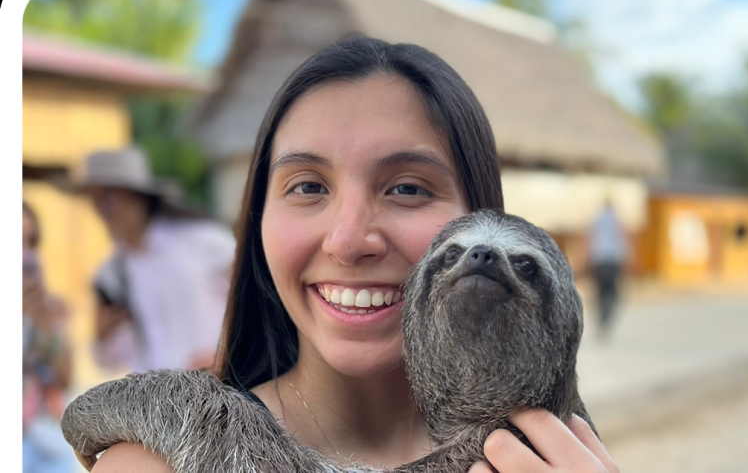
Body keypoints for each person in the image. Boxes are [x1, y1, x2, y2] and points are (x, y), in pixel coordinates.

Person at [84, 37, 620, 473]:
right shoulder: (151, 463)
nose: (347, 240)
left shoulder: (559, 454)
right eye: (308, 186)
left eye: (408, 188)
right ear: (258, 221)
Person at [76, 147, 235, 373]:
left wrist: (229, 354)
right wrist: (103, 336)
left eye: (109, 198)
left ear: (137, 196)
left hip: (217, 388)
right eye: (95, 199)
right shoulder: (110, 274)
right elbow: (107, 361)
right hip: (154, 403)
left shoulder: (203, 241)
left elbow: (256, 301)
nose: (102, 210)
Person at [22, 202, 76, 473]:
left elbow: (65, 378)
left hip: (48, 444)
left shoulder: (45, 305)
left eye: (29, 240)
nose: (24, 250)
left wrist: (45, 325)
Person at [587, 200, 629, 337]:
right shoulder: (615, 219)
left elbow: (591, 239)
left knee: (600, 290)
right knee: (612, 291)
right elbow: (620, 239)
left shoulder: (597, 220)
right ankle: (606, 317)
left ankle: (601, 317)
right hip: (612, 259)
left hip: (598, 259)